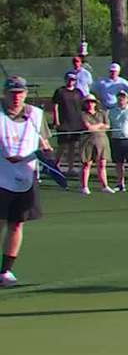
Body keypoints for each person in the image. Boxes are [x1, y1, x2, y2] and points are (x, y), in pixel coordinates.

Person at [1, 77, 56, 287]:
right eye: (13, 93)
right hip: (1, 174)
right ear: (5, 94)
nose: (17, 97)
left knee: (17, 224)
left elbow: (44, 142)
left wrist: (46, 152)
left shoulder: (35, 115)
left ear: (25, 94)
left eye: (20, 93)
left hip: (26, 174)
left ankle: (5, 271)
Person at [51, 72, 86, 176]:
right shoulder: (60, 91)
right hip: (64, 122)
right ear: (66, 79)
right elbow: (55, 106)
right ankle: (55, 165)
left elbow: (82, 107)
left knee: (72, 146)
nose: (71, 81)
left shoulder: (78, 92)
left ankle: (71, 168)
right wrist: (56, 120)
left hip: (76, 122)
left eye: (73, 80)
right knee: (62, 145)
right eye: (70, 79)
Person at [78, 94, 113, 195]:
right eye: (88, 102)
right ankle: (84, 187)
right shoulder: (83, 114)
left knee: (102, 164)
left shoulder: (102, 113)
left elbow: (108, 126)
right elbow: (88, 128)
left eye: (92, 102)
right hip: (88, 141)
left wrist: (99, 126)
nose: (90, 104)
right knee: (87, 164)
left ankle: (105, 186)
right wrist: (100, 125)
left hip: (102, 141)